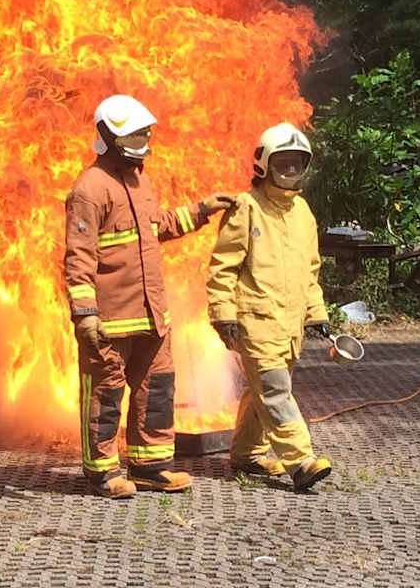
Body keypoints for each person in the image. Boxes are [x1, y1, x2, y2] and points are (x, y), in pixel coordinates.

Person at [63, 93, 235, 498]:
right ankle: (102, 472)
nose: (143, 139)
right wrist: (85, 313)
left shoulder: (140, 182)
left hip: (151, 316)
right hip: (109, 319)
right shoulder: (90, 189)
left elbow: (160, 226)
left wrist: (202, 209)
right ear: (110, 137)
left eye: (145, 132)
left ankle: (151, 466)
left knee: (156, 389)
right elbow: (78, 256)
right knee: (105, 396)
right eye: (135, 133)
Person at [205, 121, 332, 491]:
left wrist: (316, 313)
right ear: (263, 164)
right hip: (255, 322)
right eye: (283, 163)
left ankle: (247, 454)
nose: (290, 171)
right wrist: (223, 314)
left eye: (297, 163)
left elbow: (310, 270)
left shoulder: (302, 211)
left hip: (289, 327)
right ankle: (301, 460)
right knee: (275, 391)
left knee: (262, 391)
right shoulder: (247, 207)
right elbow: (223, 267)